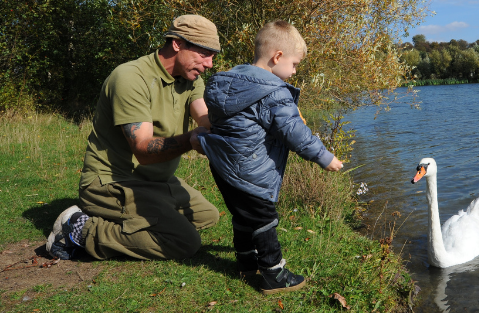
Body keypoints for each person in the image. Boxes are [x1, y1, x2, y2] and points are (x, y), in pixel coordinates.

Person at [46, 15, 222, 261]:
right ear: (177, 44)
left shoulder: (191, 79)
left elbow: (203, 116)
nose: (209, 63)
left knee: (207, 215)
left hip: (154, 182)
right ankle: (79, 229)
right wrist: (191, 140)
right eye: (204, 54)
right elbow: (142, 149)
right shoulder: (131, 78)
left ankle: (133, 217)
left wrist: (235, 125)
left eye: (213, 56)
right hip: (112, 181)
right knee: (184, 241)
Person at [199, 20, 343, 294]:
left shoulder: (224, 83)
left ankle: (245, 262)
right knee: (263, 218)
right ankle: (273, 273)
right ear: (277, 57)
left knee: (243, 215)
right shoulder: (274, 92)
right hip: (252, 169)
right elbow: (294, 132)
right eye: (294, 64)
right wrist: (324, 157)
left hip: (222, 165)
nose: (294, 70)